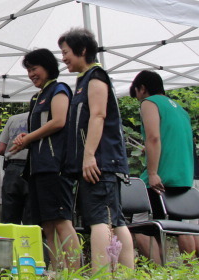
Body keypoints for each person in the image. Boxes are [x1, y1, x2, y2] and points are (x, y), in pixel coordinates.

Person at [58, 28, 134, 273]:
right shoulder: (85, 79)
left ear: (82, 50)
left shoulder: (96, 76)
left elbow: (99, 115)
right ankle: (126, 274)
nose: (63, 58)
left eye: (66, 52)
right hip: (97, 161)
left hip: (100, 161)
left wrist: (89, 155)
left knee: (100, 219)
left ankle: (101, 273)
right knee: (113, 218)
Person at [11, 49, 80, 270]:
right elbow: (41, 129)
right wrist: (26, 137)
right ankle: (57, 270)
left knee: (61, 221)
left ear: (48, 67)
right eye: (28, 70)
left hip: (55, 166)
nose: (31, 74)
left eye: (34, 69)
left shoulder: (59, 89)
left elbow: (59, 121)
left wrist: (29, 137)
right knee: (47, 224)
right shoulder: (37, 97)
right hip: (37, 168)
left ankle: (74, 272)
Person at [129, 70, 194, 263]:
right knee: (180, 226)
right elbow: (174, 140)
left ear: (142, 88)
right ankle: (190, 270)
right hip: (182, 175)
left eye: (137, 94)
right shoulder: (180, 109)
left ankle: (158, 272)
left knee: (139, 227)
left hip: (160, 177)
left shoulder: (149, 103)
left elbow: (153, 137)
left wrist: (152, 172)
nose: (138, 99)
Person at [0, 112, 31, 225]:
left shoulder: (13, 119)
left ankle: (9, 236)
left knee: (9, 216)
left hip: (12, 168)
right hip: (33, 167)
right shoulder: (43, 116)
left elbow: (1, 149)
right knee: (30, 215)